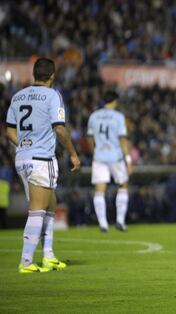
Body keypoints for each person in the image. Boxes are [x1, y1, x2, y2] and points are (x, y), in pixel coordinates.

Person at [6, 57, 81, 273]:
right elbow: (59, 129)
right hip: (41, 159)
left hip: (22, 157)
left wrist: (25, 143)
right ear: (53, 75)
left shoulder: (18, 96)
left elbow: (10, 131)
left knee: (50, 205)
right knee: (38, 210)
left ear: (34, 74)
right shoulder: (53, 95)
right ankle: (26, 261)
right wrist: (74, 154)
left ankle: (48, 256)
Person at [87, 90, 132, 232]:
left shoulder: (94, 116)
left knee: (100, 190)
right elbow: (123, 139)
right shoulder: (118, 117)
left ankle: (103, 223)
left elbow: (89, 138)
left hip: (99, 157)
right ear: (114, 101)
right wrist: (128, 159)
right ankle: (120, 221)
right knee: (122, 186)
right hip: (116, 157)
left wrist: (94, 152)